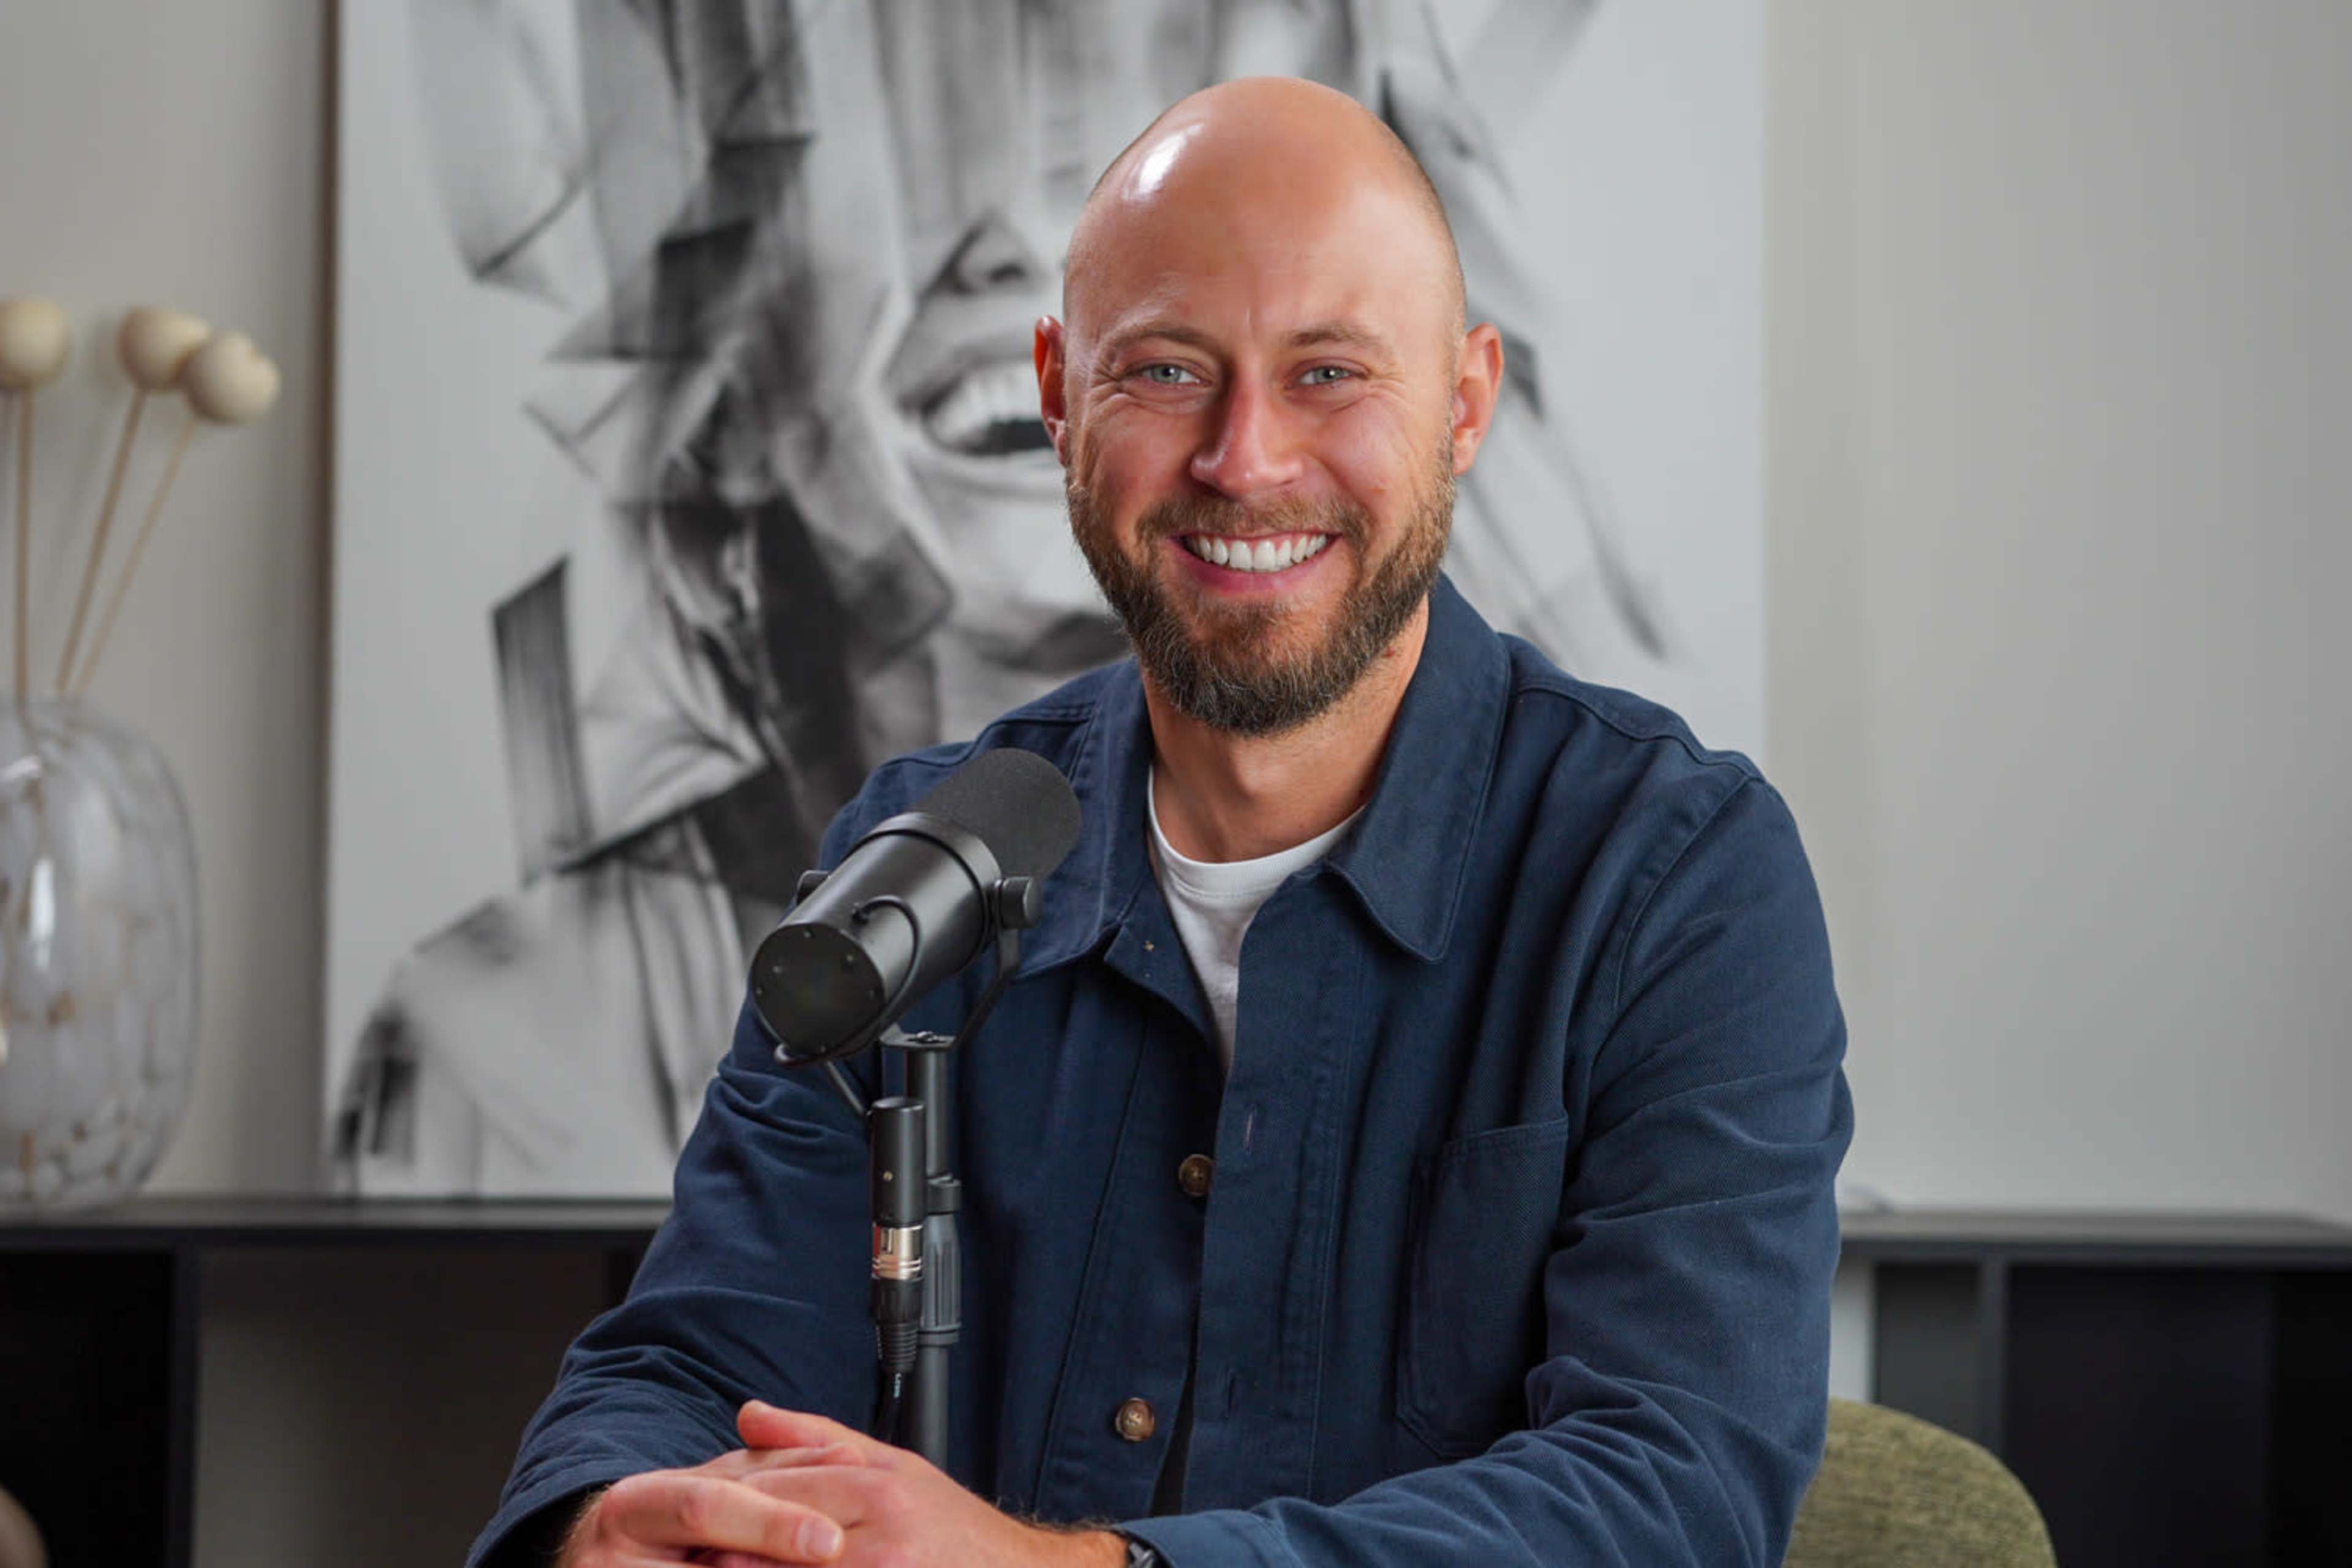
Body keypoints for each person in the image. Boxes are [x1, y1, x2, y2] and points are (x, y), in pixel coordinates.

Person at [470, 76, 1849, 1568]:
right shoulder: (915, 860)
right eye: (1169, 371)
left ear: (1462, 404)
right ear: (1061, 393)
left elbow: (1674, 1491)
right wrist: (613, 1519)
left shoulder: (1675, 879)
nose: (1244, 460)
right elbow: (691, 1362)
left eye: (1328, 372)